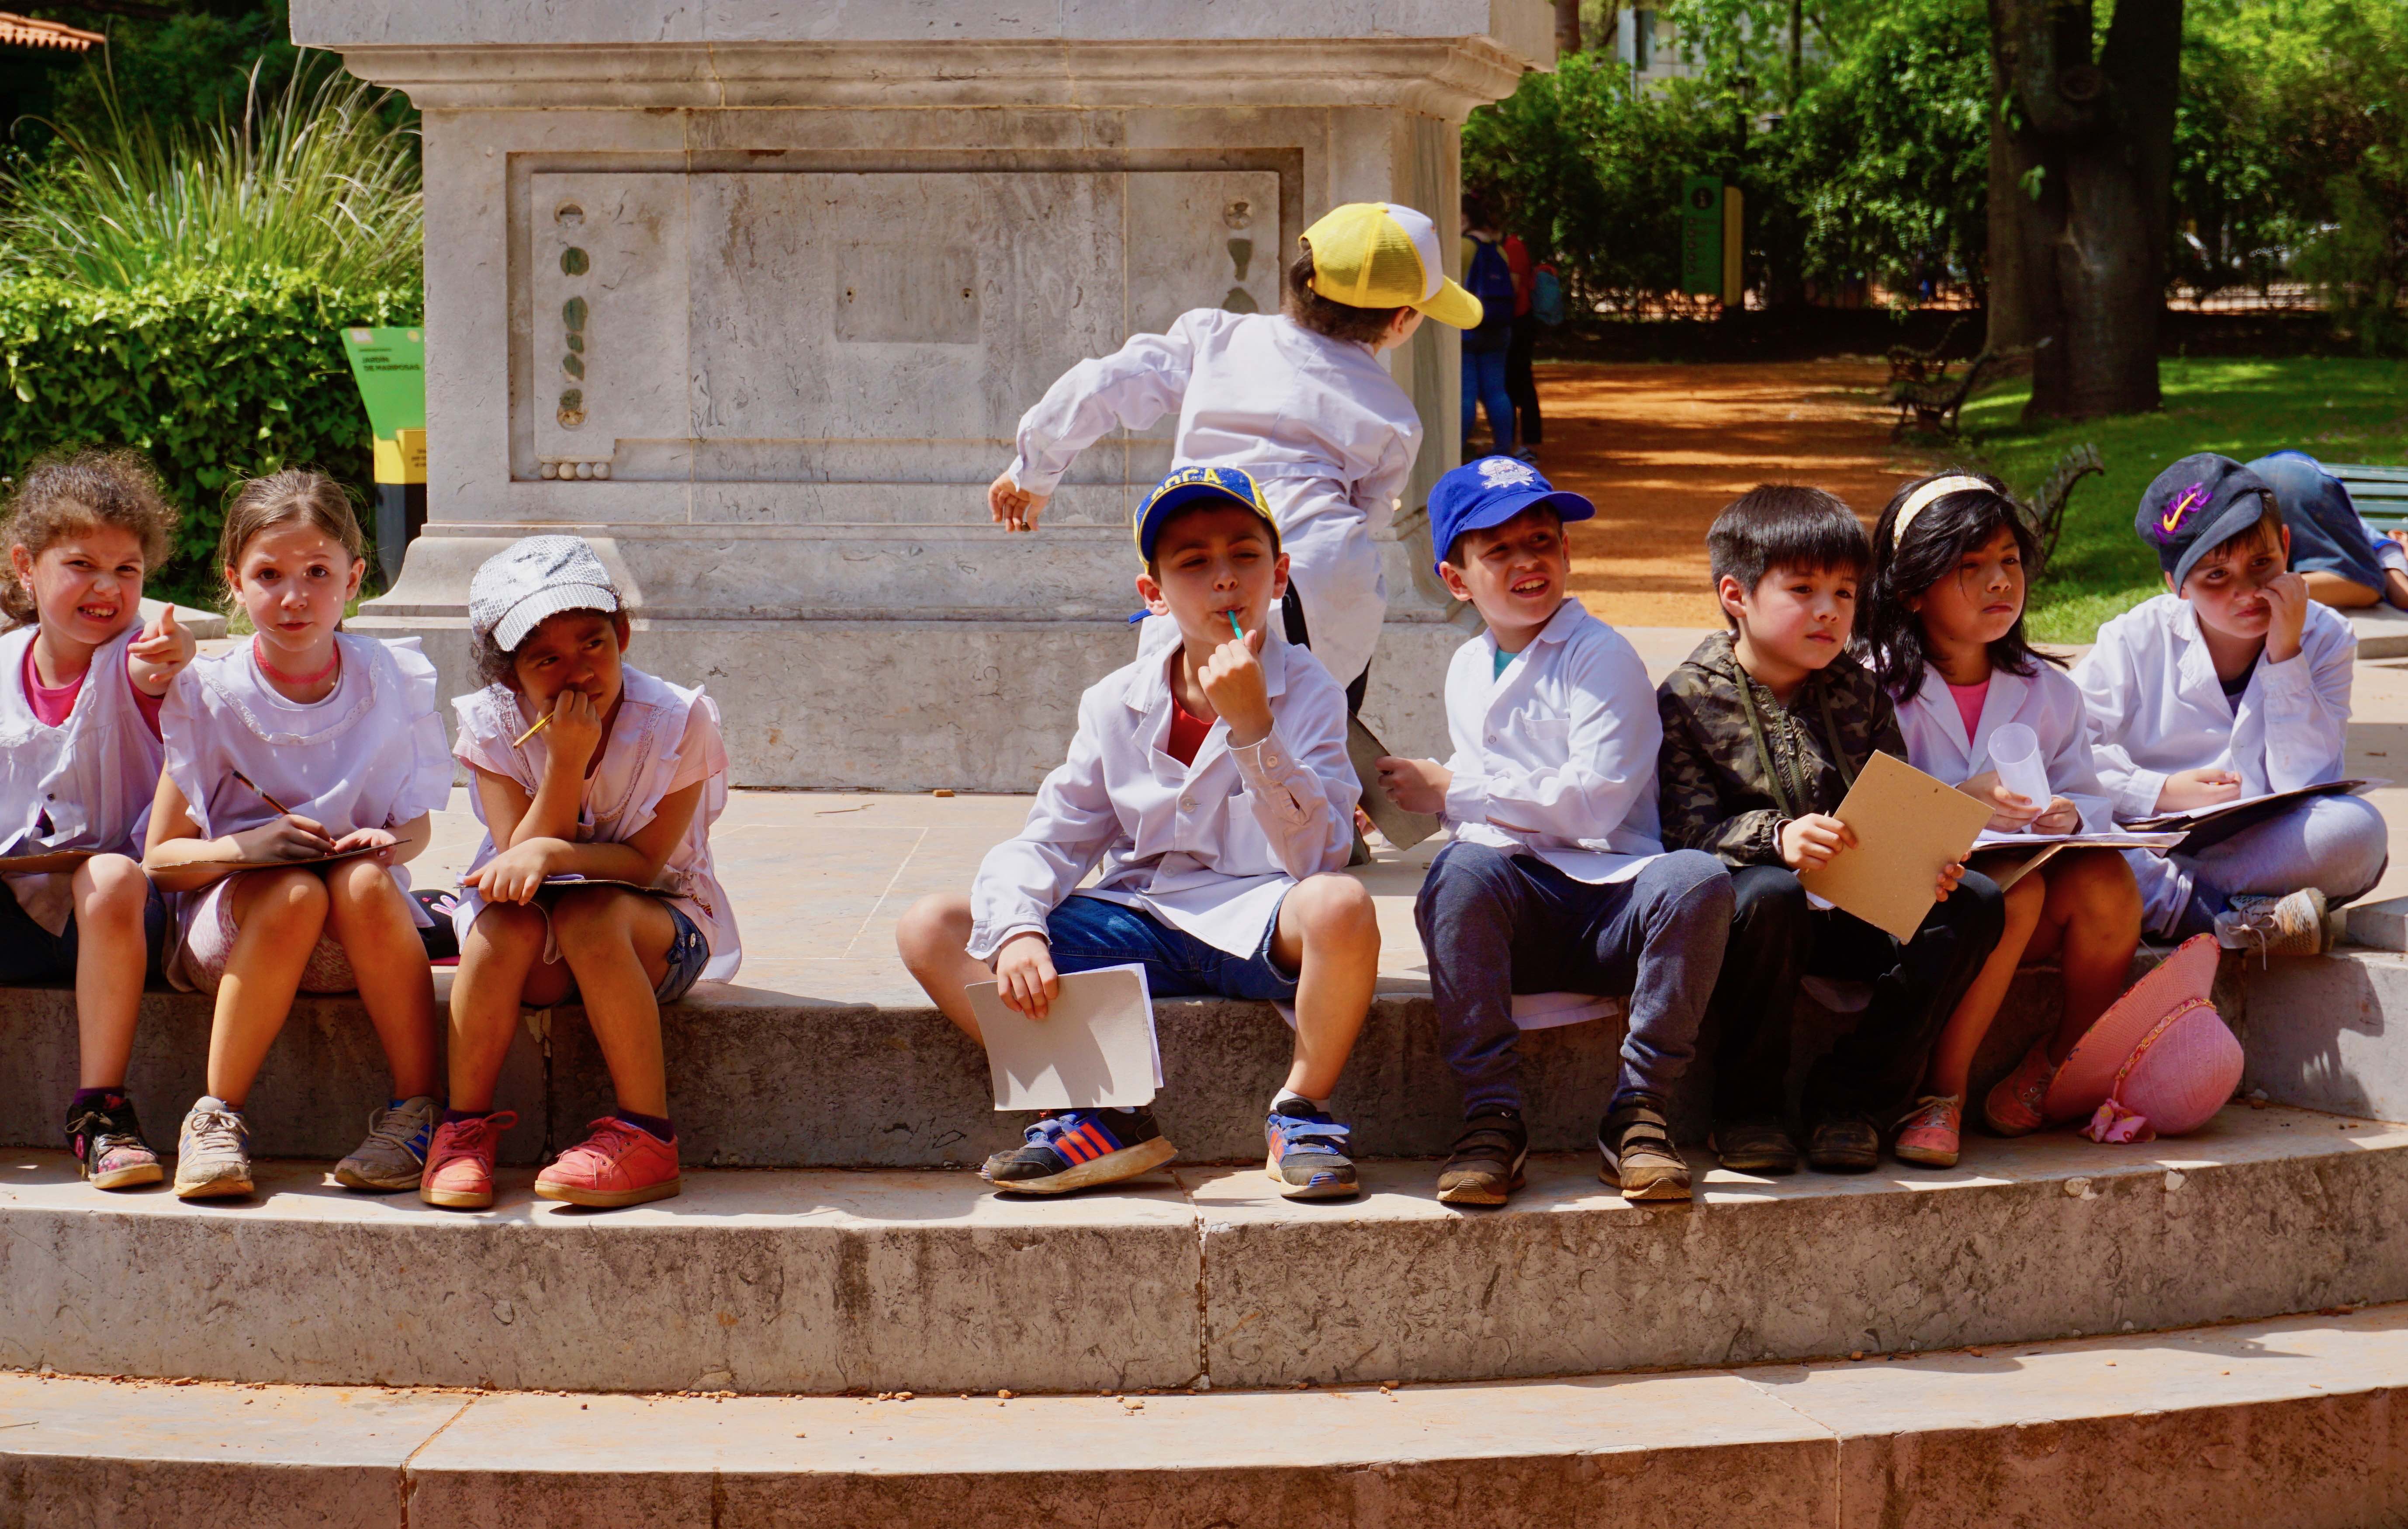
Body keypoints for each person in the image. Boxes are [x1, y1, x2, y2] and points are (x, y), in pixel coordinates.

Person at [899, 467, 1380, 1199]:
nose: (1224, 577)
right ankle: (1097, 1112)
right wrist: (1020, 929)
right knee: (933, 926)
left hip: (1260, 919)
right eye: (1193, 561)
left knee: (1342, 904)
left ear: (1279, 574)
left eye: (1244, 554)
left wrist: (1254, 727)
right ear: (1154, 593)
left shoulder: (1309, 689)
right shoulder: (1114, 701)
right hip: (1142, 920)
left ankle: (1301, 1110)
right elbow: (1053, 838)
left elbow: (1319, 856)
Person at [1377, 457, 1730, 1204]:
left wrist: (1454, 789)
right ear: (1456, 579)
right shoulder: (1468, 664)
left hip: (1612, 905)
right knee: (1459, 870)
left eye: (1541, 541)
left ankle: (1639, 1109)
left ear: (1567, 553)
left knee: (1695, 878)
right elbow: (1493, 790)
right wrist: (1424, 795)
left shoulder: (1601, 653)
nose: (1527, 561)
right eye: (1498, 550)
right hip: (1523, 904)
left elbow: (1596, 803)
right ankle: (1491, 1116)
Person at [986, 201, 1482, 705]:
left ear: (1301, 281)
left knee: (1181, 718)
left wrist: (1034, 472)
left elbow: (1104, 383)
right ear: (1401, 319)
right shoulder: (1395, 416)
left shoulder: (1215, 338)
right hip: (1317, 580)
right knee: (1309, 726)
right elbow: (1369, 510)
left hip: (1196, 561)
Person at [1656, 485, 2006, 1174]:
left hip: (1853, 904)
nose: (1830, 610)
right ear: (1736, 595)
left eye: (1845, 592)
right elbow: (1682, 832)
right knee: (1771, 894)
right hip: (1752, 923)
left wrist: (1926, 861)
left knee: (1974, 902)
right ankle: (1747, 1108)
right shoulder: (1687, 698)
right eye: (1803, 589)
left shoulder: (1859, 688)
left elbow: (1895, 799)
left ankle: (1852, 1100)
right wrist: (1775, 839)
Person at [145, 471, 453, 1200]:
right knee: (290, 891)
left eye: (317, 572)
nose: (295, 596)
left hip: (357, 934)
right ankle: (215, 1115)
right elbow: (161, 858)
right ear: (235, 581)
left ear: (354, 578)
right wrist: (244, 849)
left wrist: (384, 842)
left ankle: (416, 1110)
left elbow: (415, 827)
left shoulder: (391, 677)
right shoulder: (209, 692)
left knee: (365, 880)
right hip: (238, 935)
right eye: (269, 575)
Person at [420, 536, 739, 1212]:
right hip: (540, 945)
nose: (579, 671)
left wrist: (557, 855)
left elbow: (646, 863)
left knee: (591, 914)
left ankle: (647, 1134)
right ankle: (462, 1129)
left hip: (660, 934)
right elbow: (516, 855)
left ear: (622, 634)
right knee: (500, 924)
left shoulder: (680, 721)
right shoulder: (492, 724)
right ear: (509, 674)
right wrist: (565, 761)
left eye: (593, 642)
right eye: (547, 658)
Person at [1860, 473, 2143, 1167]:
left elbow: (2086, 789)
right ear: (1911, 589)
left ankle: (2062, 1060)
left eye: (2010, 560)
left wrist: (2070, 813)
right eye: (1971, 565)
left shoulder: (2050, 690)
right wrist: (1964, 798)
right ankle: (1941, 1093)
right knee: (2011, 890)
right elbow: (1858, 823)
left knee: (2106, 881)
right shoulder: (1866, 681)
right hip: (1904, 911)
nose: (2000, 581)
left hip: (2016, 906)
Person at [2075, 453, 2384, 955]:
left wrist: (2285, 656)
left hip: (2254, 842)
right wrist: (2158, 790)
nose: (2247, 591)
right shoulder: (2133, 638)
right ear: (2175, 584)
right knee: (2069, 824)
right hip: (2147, 833)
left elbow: (2304, 780)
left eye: (2261, 564)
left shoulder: (2325, 636)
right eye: (2216, 575)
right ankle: (2219, 914)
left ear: (2286, 546)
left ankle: (2178, 901)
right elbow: (2065, 753)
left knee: (2357, 831)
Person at [0, 449, 194, 1189]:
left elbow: (157, 669)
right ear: (26, 565)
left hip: (125, 919)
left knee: (110, 875)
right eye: (81, 565)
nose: (107, 587)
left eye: (127, 569)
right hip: (21, 914)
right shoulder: (5, 662)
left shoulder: (140, 659)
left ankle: (102, 1112)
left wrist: (169, 661)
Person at [2246, 451, 2408, 611]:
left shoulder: (2347, 526)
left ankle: (2249, 590)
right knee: (2366, 583)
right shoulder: (2389, 546)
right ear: (2399, 535)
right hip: (2300, 481)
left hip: (2250, 476)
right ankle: (2259, 593)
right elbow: (2403, 595)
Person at [1460, 194, 1520, 462]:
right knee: (1497, 392)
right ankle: (1505, 449)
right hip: (1498, 330)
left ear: (1465, 218)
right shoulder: (1499, 251)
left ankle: (1457, 449)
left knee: (1466, 394)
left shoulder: (1463, 247)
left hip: (1466, 329)